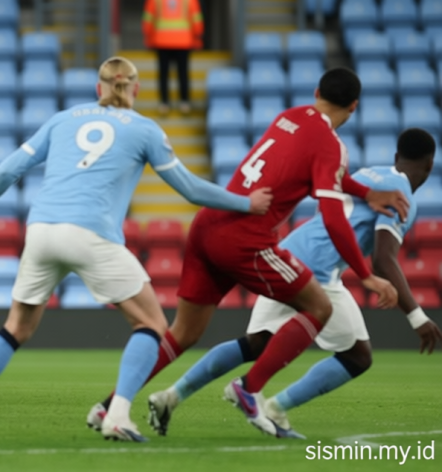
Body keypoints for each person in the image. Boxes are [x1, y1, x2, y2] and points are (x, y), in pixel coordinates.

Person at [0, 57, 273, 442]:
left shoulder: (63, 119)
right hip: (91, 233)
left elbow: (7, 170)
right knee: (152, 325)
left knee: (16, 327)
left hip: (41, 231)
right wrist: (246, 203)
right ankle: (118, 416)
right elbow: (190, 189)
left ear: (99, 88)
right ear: (136, 89)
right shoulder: (145, 129)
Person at [86, 67, 410, 437]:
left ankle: (109, 406)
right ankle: (249, 387)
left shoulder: (290, 116)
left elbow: (323, 173)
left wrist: (365, 192)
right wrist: (366, 275)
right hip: (245, 238)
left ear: (317, 92)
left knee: (183, 332)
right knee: (319, 307)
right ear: (353, 107)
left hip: (208, 225)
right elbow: (334, 217)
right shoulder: (331, 145)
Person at [147, 128, 441, 438]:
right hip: (319, 269)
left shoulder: (369, 174)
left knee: (256, 343)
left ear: (396, 156)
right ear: (430, 164)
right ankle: (270, 405)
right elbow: (383, 258)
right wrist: (417, 317)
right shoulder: (401, 194)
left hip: (289, 252)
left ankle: (170, 397)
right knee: (357, 356)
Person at [141, 0, 204, 116]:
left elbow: (148, 18)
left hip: (161, 41)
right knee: (183, 73)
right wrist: (198, 35)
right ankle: (184, 103)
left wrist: (148, 36)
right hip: (184, 41)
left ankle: (164, 104)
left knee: (163, 74)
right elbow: (196, 17)